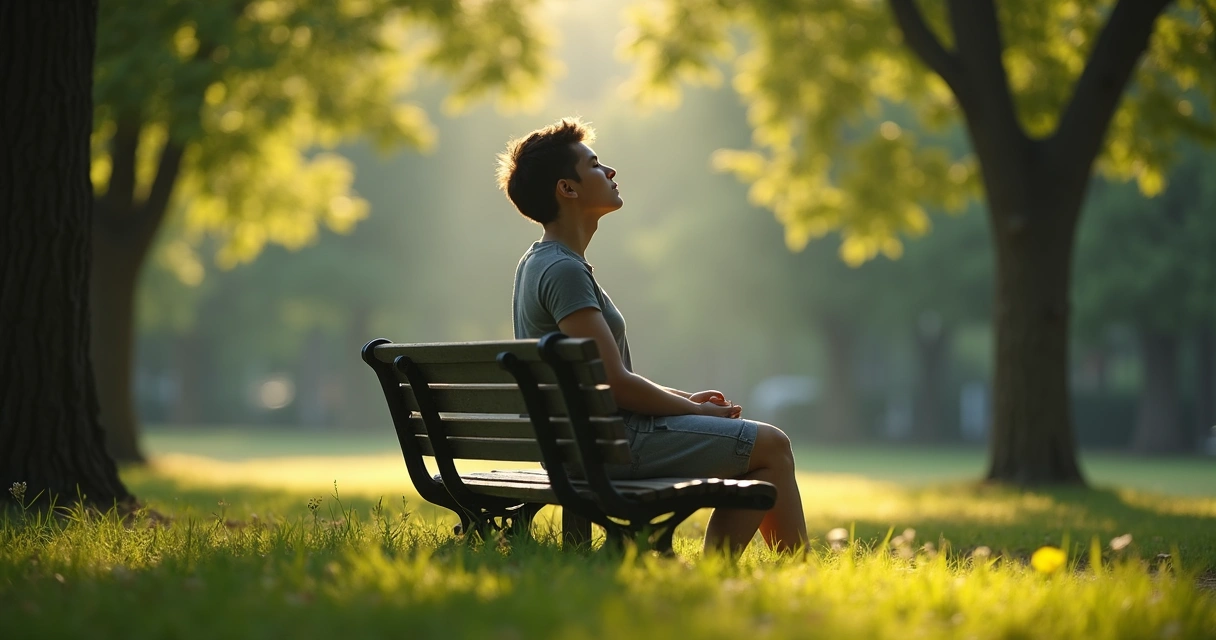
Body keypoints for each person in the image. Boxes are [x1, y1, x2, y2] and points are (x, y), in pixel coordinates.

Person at [497, 117, 808, 555]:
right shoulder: (563, 270)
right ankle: (793, 569)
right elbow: (616, 384)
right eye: (595, 165)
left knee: (761, 462)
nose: (610, 172)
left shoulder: (540, 262)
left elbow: (608, 378)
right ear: (567, 189)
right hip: (606, 448)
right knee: (773, 446)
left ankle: (727, 569)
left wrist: (688, 404)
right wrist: (688, 408)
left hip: (579, 443)